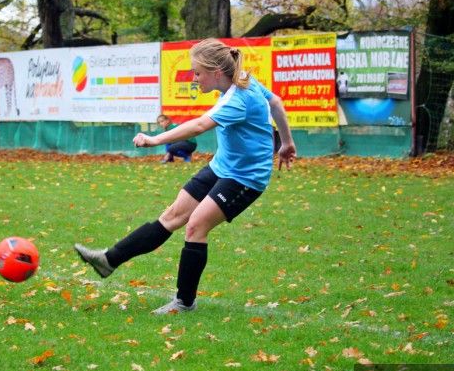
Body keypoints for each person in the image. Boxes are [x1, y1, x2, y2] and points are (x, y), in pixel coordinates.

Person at [75, 39, 296, 314]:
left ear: (216, 72)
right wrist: (286, 143)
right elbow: (275, 102)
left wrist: (155, 140)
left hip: (246, 177)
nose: (194, 78)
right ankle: (108, 260)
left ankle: (184, 302)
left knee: (195, 226)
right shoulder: (241, 79)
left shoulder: (239, 97)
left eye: (197, 73)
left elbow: (200, 125)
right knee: (172, 216)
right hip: (222, 166)